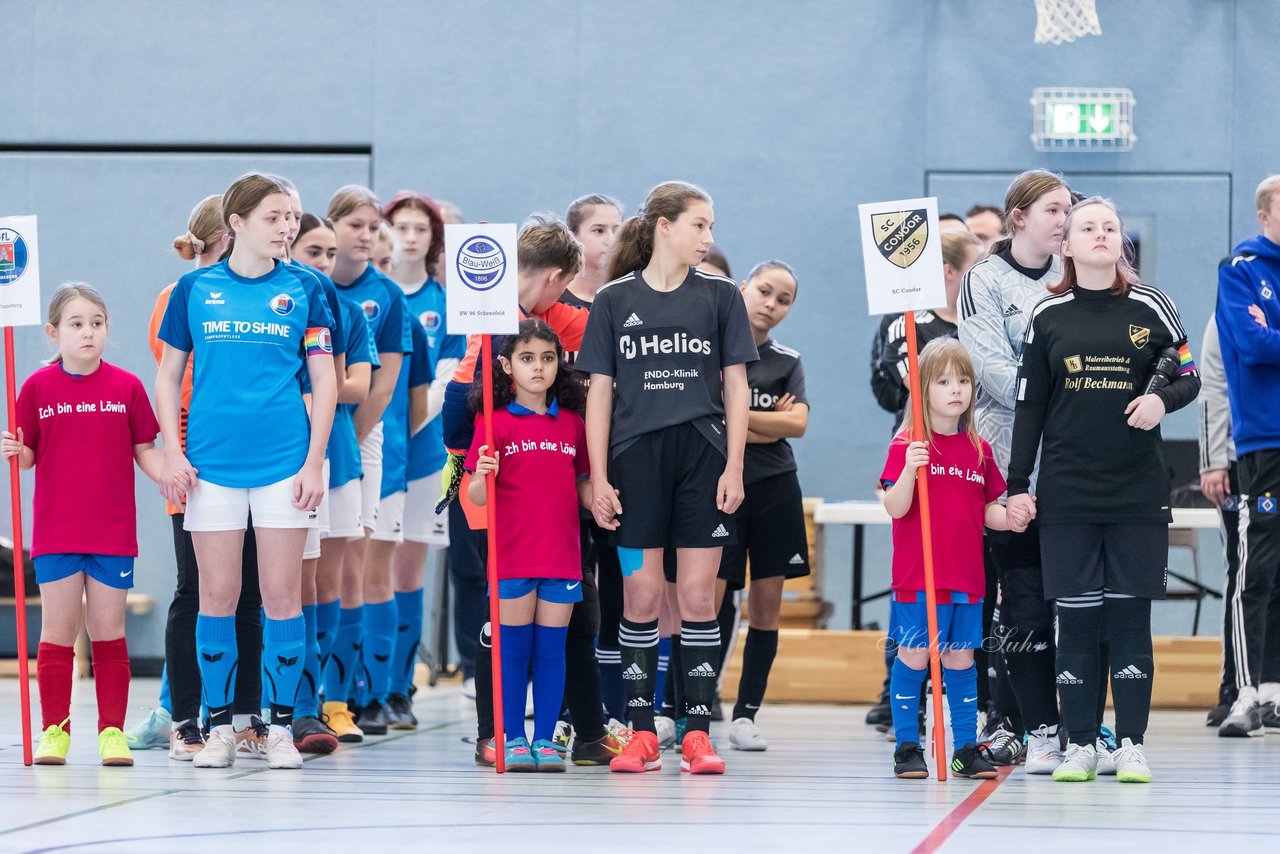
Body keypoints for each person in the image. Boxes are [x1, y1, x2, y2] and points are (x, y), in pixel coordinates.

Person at [1008, 196, 1200, 783]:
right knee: (1077, 621)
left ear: (1122, 242)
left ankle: (1132, 743)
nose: (1099, 234)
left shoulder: (1153, 305)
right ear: (1064, 244)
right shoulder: (1048, 315)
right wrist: (1017, 485)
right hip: (1067, 494)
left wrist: (1160, 399)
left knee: (1129, 620)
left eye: (1109, 227)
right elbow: (1029, 407)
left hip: (1137, 495)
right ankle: (1082, 745)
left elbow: (1188, 372)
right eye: (1086, 227)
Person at [576, 181, 758, 775]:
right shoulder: (612, 300)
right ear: (663, 225)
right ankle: (638, 732)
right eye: (699, 225)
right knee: (641, 594)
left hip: (703, 457)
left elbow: (737, 385)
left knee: (700, 596)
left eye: (711, 227)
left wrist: (733, 464)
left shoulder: (722, 296)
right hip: (635, 460)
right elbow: (599, 392)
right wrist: (599, 476)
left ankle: (698, 733)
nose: (708, 237)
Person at [156, 172, 337, 770]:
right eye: (274, 217)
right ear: (236, 224)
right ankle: (217, 729)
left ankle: (280, 728)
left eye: (292, 216)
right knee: (216, 595)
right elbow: (167, 376)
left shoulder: (308, 288)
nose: (288, 227)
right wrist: (174, 455)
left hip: (286, 465)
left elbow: (324, 379)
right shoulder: (194, 289)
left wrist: (315, 460)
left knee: (283, 598)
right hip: (211, 469)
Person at [3, 285, 164, 767]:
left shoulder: (126, 387)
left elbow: (146, 450)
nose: (88, 332)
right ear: (54, 332)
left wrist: (171, 477)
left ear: (107, 329)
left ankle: (111, 732)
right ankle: (55, 730)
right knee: (57, 630)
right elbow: (29, 457)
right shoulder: (36, 388)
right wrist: (16, 450)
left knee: (108, 630)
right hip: (56, 532)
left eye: (97, 322)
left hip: (112, 532)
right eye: (76, 324)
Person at [958, 169, 1072, 773]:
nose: (1064, 219)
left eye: (1069, 210)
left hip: (1076, 464)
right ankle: (1018, 724)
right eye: (1053, 209)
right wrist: (1066, 398)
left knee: (1069, 600)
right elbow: (990, 366)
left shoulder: (1074, 276)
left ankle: (1062, 722)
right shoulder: (985, 280)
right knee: (1020, 597)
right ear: (1020, 217)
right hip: (1008, 463)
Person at [881, 338, 1012, 779]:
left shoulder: (979, 450)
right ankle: (906, 746)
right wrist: (908, 472)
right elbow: (896, 507)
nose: (955, 389)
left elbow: (988, 511)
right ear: (923, 391)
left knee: (961, 662)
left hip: (966, 578)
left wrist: (1011, 516)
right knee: (915, 656)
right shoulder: (908, 445)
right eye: (942, 381)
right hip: (920, 578)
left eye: (963, 381)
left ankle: (965, 749)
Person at [465, 320, 591, 771]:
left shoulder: (574, 424)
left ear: (560, 363)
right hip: (512, 555)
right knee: (513, 650)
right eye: (527, 358)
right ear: (506, 365)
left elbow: (582, 486)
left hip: (562, 555)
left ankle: (545, 740)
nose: (538, 368)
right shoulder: (492, 422)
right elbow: (478, 496)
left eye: (547, 358)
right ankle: (512, 737)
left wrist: (605, 499)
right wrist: (482, 471)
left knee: (552, 650)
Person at [325, 185, 413, 736]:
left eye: (372, 225)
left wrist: (346, 443)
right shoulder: (304, 285)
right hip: (305, 435)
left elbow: (383, 387)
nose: (365, 235)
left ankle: (354, 696)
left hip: (360, 437)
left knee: (354, 566)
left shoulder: (386, 296)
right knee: (310, 571)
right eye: (354, 224)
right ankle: (303, 689)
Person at [713, 260, 809, 751]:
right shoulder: (713, 353)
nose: (771, 304)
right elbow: (708, 416)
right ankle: (690, 703)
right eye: (765, 292)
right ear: (743, 288)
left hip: (775, 488)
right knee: (706, 601)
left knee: (766, 606)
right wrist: (767, 418)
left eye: (784, 300)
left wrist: (739, 418)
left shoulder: (787, 361)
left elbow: (798, 426)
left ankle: (746, 714)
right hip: (719, 489)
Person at [554, 194, 632, 762]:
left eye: (616, 229)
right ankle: (560, 714)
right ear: (575, 237)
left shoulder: (631, 302)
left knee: (619, 589)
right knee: (569, 592)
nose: (607, 238)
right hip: (561, 468)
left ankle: (611, 713)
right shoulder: (552, 309)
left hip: (616, 464)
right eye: (596, 228)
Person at [383, 190, 462, 728]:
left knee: (408, 572)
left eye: (420, 229)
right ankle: (360, 685)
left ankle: (398, 687)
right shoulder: (374, 295)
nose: (409, 237)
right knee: (365, 572)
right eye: (400, 227)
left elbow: (447, 377)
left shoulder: (446, 303)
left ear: (434, 240)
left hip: (427, 455)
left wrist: (406, 424)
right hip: (371, 452)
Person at [1215, 174, 1280, 737]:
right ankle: (1245, 692)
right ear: (1264, 215)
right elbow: (1255, 348)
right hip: (1265, 441)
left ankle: (1276, 693)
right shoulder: (1240, 271)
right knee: (1255, 568)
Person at [1197, 313, 1244, 727]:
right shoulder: (1234, 301)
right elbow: (1212, 385)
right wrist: (1213, 461)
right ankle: (1234, 687)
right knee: (1245, 572)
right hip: (1242, 459)